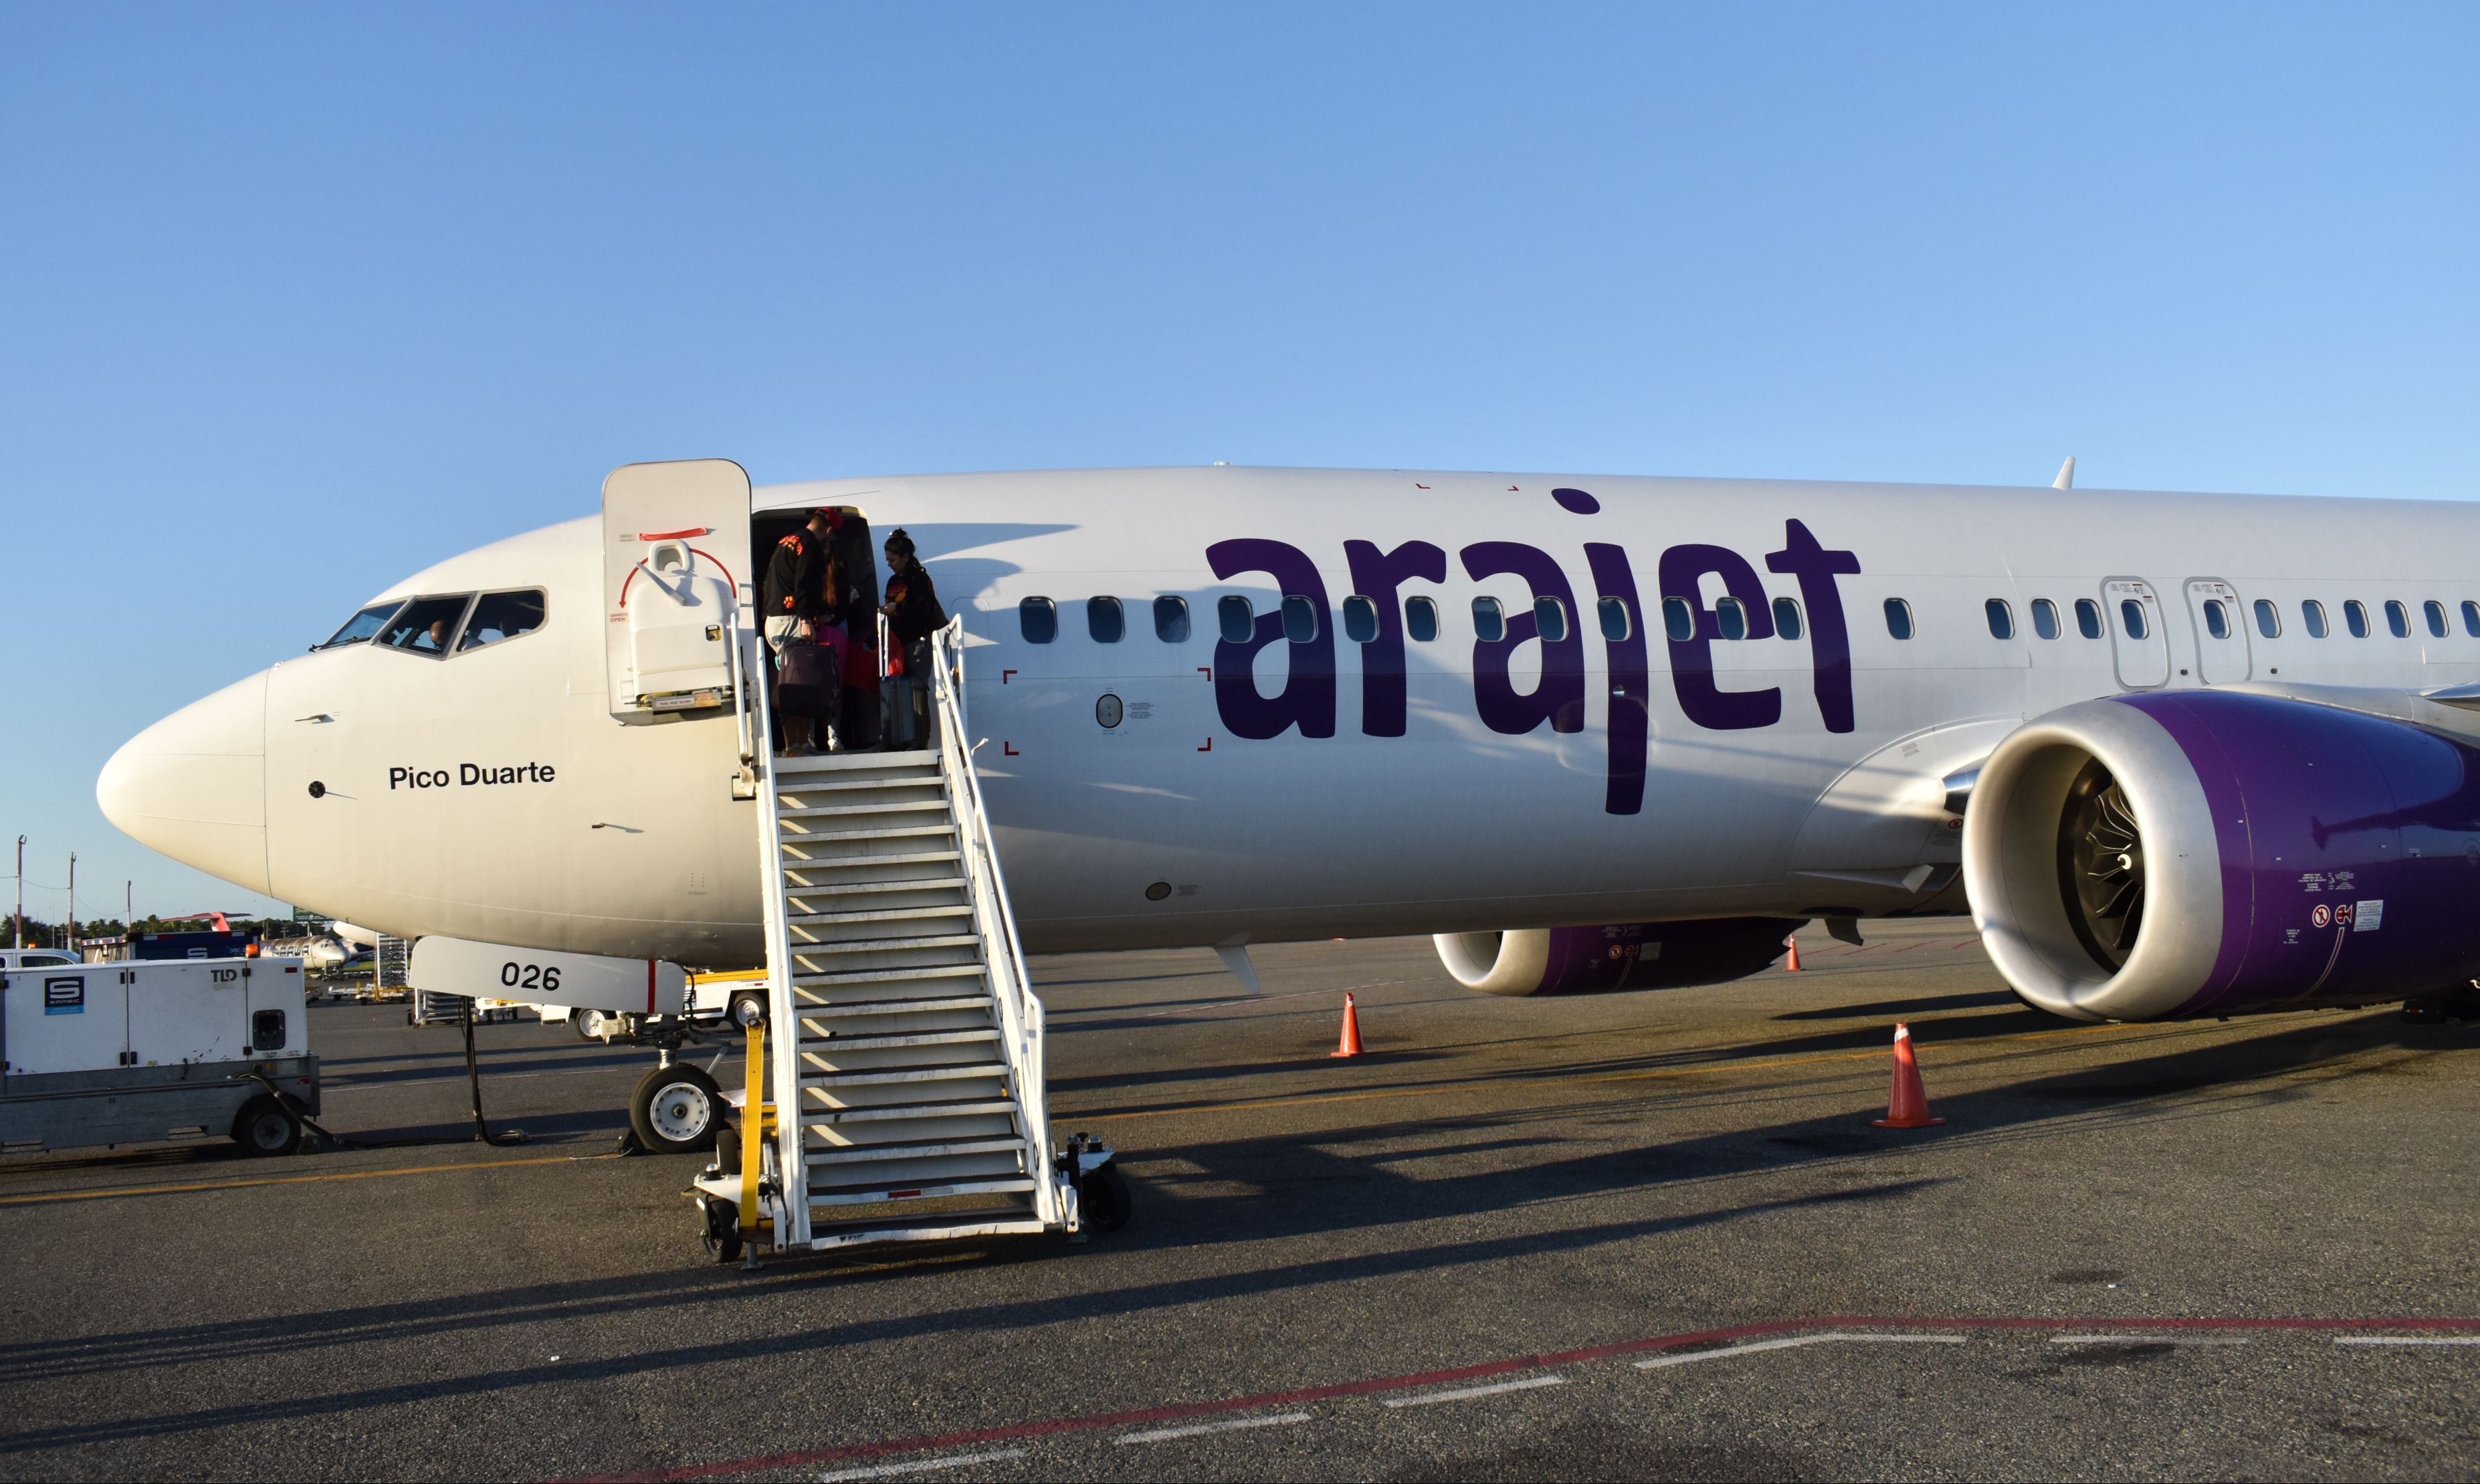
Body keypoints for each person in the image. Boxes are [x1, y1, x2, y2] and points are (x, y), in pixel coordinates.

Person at [762, 509, 841, 754]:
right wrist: (807, 619)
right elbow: (804, 586)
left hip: (773, 620)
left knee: (789, 680)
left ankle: (794, 743)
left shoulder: (787, 541)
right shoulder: (810, 546)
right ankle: (798, 744)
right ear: (829, 530)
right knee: (801, 680)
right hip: (791, 621)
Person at [878, 529, 945, 749]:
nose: (890, 564)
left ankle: (920, 741)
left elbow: (924, 608)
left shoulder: (919, 579)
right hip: (898, 641)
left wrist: (898, 607)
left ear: (906, 557)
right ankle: (900, 736)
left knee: (917, 687)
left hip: (918, 640)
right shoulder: (891, 581)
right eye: (887, 560)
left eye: (893, 560)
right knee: (898, 687)